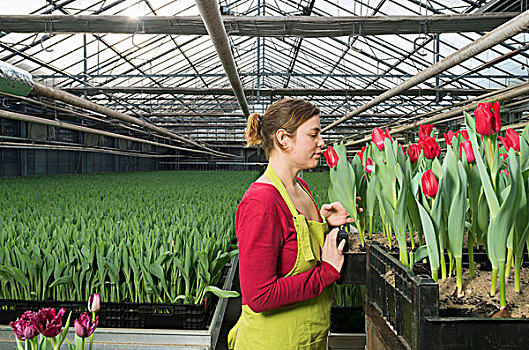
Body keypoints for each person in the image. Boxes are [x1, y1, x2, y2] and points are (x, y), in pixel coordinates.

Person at [228, 98, 355, 349]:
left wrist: (325, 222)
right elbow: (259, 296)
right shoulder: (261, 203)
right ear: (283, 138)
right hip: (272, 342)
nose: (322, 142)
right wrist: (326, 273)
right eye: (313, 135)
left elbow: (291, 241)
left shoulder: (300, 188)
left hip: (307, 340)